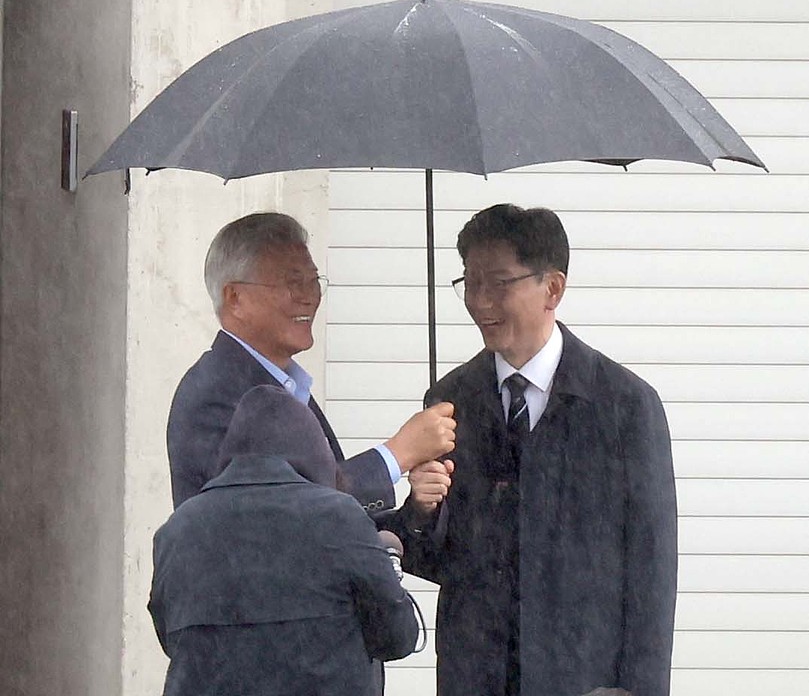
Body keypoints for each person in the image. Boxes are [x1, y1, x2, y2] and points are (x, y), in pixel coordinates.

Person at [396, 204, 678, 696]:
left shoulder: (624, 405)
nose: (480, 301)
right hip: (474, 674)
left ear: (553, 288)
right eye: (470, 282)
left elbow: (652, 565)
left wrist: (638, 687)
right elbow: (435, 560)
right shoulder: (449, 402)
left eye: (499, 283)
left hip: (582, 676)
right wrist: (420, 510)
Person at [167, 211, 455, 511]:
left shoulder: (285, 384)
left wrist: (417, 508)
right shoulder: (218, 392)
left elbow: (337, 526)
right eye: (293, 283)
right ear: (235, 298)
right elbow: (281, 513)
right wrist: (395, 455)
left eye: (313, 280)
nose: (309, 297)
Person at [149, 385, 418, 696]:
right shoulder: (338, 519)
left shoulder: (177, 530)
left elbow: (171, 639)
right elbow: (398, 637)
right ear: (316, 455)